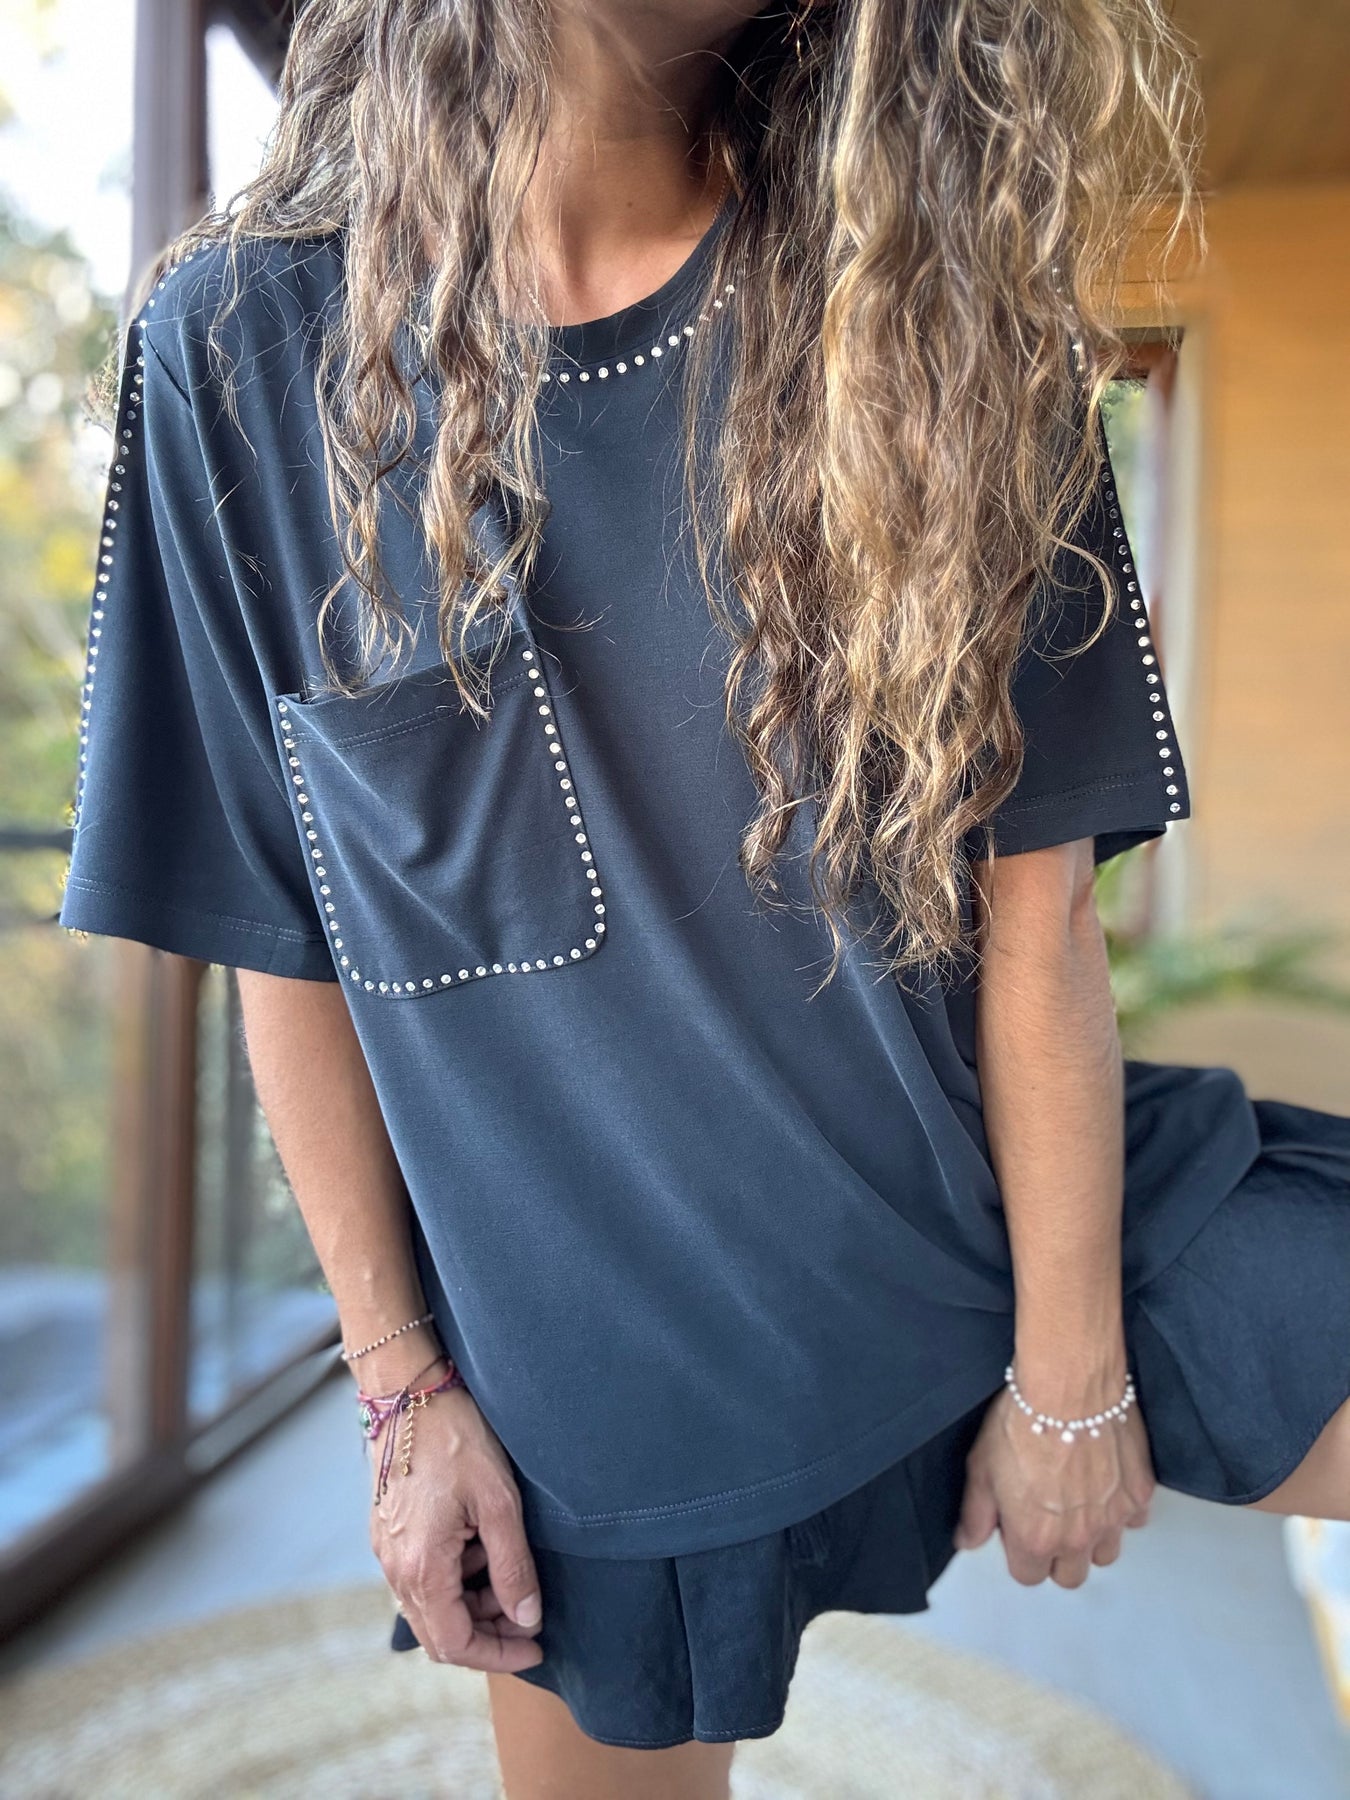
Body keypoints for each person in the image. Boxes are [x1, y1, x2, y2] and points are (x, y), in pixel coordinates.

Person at [60, 1, 1350, 1795]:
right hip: (604, 1386)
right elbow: (287, 937)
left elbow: (1038, 918)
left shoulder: (935, 318)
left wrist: (1069, 1370)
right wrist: (402, 1390)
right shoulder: (237, 346)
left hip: (1004, 1215)